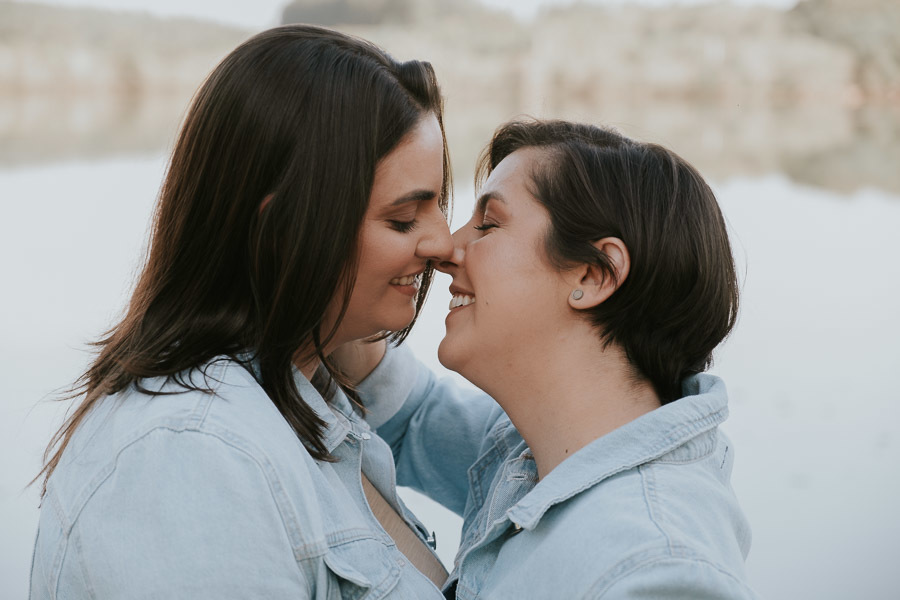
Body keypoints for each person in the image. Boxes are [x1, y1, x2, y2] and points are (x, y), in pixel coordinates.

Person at [30, 25, 455, 599]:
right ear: (283, 230)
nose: (442, 243)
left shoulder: (309, 379)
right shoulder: (190, 459)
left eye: (439, 206)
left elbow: (453, 424)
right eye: (404, 219)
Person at [351, 119, 759, 598]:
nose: (445, 248)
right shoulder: (535, 450)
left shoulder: (655, 569)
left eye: (488, 224)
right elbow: (408, 415)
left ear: (593, 273)